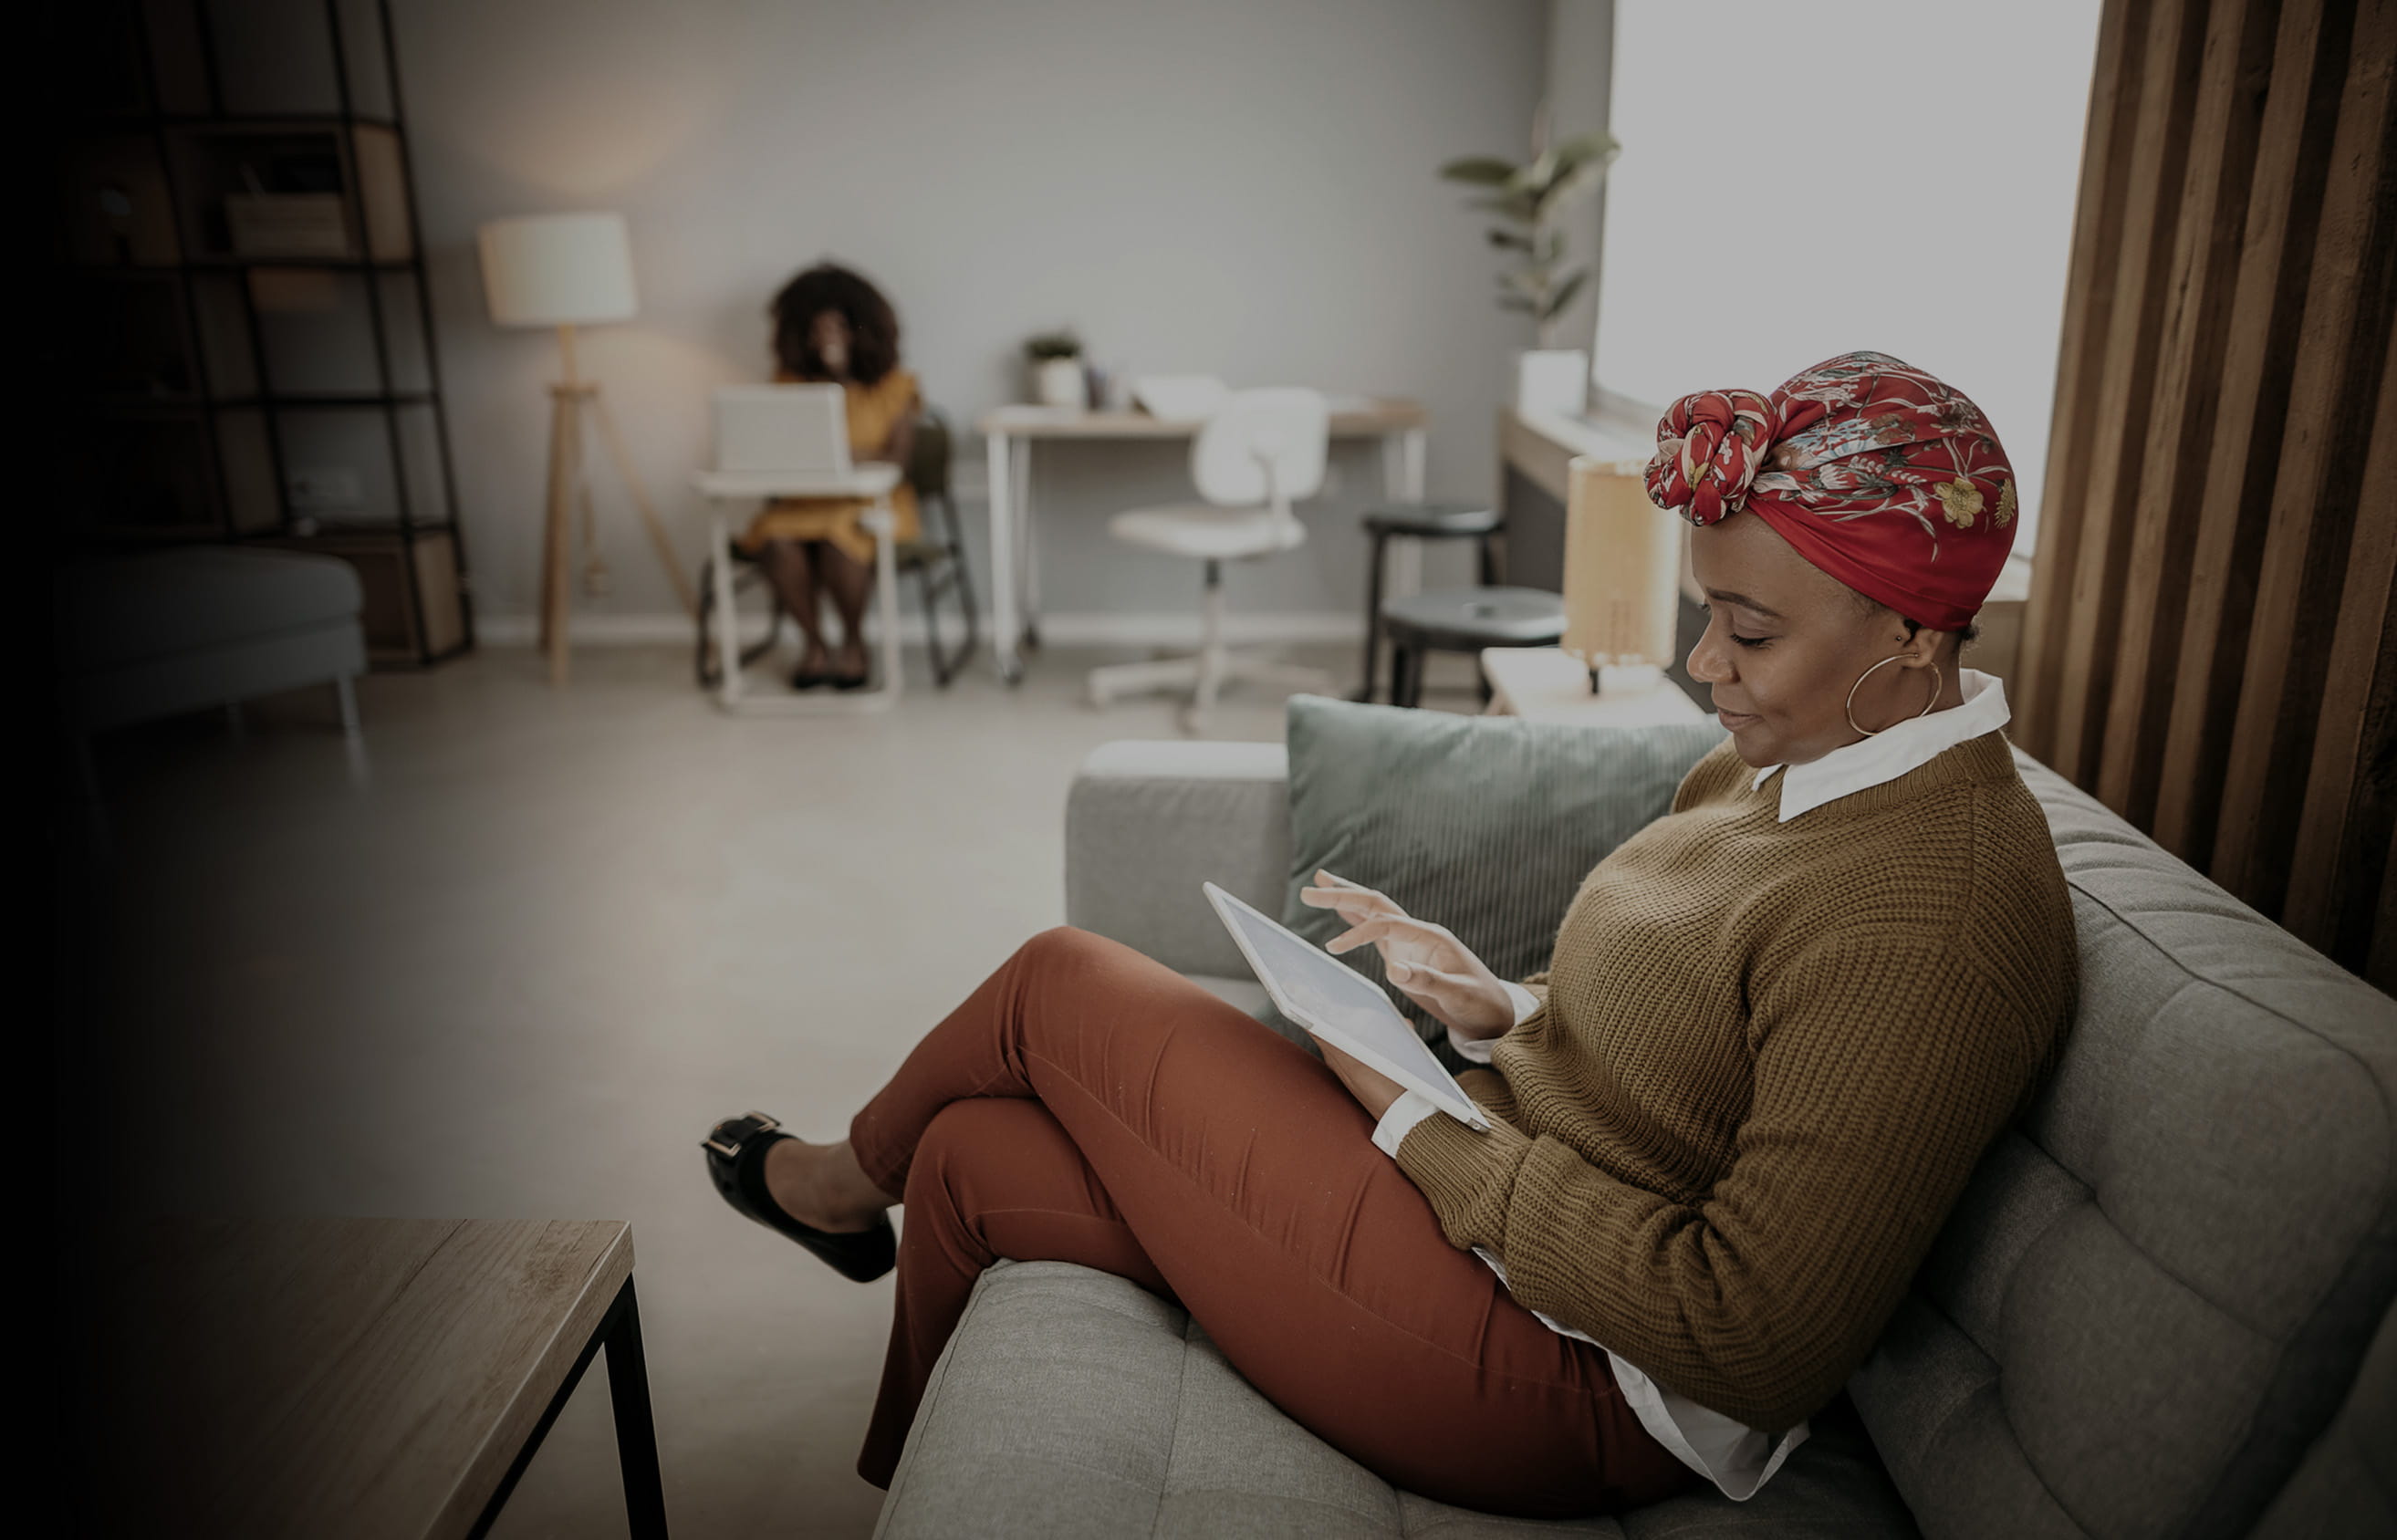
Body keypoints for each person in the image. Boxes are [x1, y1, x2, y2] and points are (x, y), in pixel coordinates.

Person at [702, 351, 2075, 1516]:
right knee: (969, 1156)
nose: (1704, 664)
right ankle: (900, 1502)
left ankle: (830, 1189)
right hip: (1499, 1206)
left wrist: (1419, 1129)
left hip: (1581, 1379)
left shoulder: (1937, 913)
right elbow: (1691, 1059)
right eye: (1706, 616)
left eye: (1748, 632)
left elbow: (1746, 1334)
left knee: (1058, 983)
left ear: (1910, 631)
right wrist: (1499, 1009)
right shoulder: (1796, 757)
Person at [738, 263, 922, 690]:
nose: (827, 339)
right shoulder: (790, 384)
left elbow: (895, 460)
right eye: (817, 330)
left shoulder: (894, 386)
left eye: (838, 328)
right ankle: (815, 643)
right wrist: (853, 452)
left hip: (869, 503)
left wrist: (840, 449)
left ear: (862, 329)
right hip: (803, 502)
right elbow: (779, 452)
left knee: (843, 538)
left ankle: (853, 644)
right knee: (777, 539)